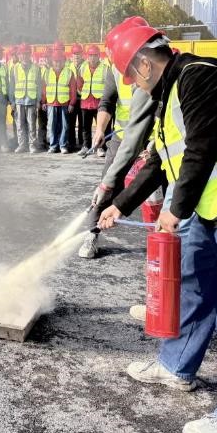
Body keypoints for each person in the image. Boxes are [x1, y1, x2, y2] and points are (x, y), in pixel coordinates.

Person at [98, 24, 217, 433]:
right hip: (212, 207)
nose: (134, 85)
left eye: (132, 76)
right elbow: (160, 163)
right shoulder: (169, 97)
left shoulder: (201, 74)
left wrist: (174, 210)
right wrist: (120, 205)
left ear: (144, 64)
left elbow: (203, 147)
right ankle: (176, 366)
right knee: (195, 286)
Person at [81, 18, 159, 258]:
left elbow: (159, 112)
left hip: (151, 143)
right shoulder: (114, 70)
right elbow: (107, 102)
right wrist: (100, 130)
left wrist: (153, 145)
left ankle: (162, 244)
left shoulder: (152, 69)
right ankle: (91, 235)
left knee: (156, 195)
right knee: (106, 187)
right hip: (122, 139)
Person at [42, 50, 77, 153]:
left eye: (60, 61)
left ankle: (63, 145)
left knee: (64, 125)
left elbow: (73, 90)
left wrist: (72, 103)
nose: (57, 63)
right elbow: (44, 89)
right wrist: (43, 101)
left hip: (64, 104)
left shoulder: (69, 72)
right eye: (55, 61)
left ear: (63, 61)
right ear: (52, 62)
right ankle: (53, 145)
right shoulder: (47, 73)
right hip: (51, 103)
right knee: (52, 125)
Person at [9, 43, 42, 153]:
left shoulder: (36, 68)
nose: (24, 56)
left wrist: (38, 100)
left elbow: (39, 86)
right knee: (19, 124)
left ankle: (32, 145)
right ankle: (22, 145)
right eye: (22, 54)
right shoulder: (14, 69)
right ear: (19, 55)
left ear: (30, 54)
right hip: (19, 101)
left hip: (31, 101)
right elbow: (11, 86)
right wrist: (12, 101)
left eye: (26, 54)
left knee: (32, 124)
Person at [76, 44, 104, 155]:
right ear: (87, 56)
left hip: (99, 103)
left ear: (99, 56)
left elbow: (108, 85)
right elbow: (79, 84)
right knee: (85, 127)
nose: (93, 58)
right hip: (86, 102)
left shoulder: (104, 68)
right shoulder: (82, 67)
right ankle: (85, 146)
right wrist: (83, 93)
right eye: (91, 55)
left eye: (95, 55)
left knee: (101, 127)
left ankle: (100, 148)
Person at [66, 43, 85, 151]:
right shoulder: (68, 67)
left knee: (83, 123)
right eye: (74, 54)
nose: (76, 56)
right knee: (71, 122)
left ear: (82, 54)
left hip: (83, 98)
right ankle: (71, 143)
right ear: (71, 55)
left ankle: (82, 143)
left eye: (78, 53)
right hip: (72, 99)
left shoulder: (86, 66)